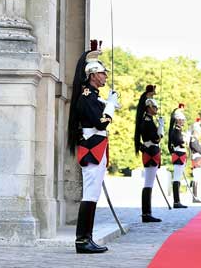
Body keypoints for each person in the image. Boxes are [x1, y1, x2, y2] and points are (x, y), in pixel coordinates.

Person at [66, 40, 121, 254]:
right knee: (90, 193)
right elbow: (100, 123)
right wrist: (110, 106)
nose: (106, 76)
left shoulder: (94, 97)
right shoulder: (87, 97)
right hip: (92, 148)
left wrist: (107, 103)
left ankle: (86, 238)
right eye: (103, 73)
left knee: (94, 193)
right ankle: (82, 240)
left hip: (97, 147)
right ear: (93, 75)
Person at [135, 96, 165, 222]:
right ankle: (146, 213)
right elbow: (156, 138)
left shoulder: (148, 120)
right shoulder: (147, 121)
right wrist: (161, 126)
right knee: (148, 184)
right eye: (154, 107)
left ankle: (147, 213)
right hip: (151, 152)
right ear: (148, 108)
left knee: (149, 183)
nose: (156, 109)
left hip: (150, 151)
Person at [168, 105, 188, 209]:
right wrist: (184, 141)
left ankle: (177, 200)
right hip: (178, 154)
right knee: (176, 178)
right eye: (181, 120)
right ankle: (176, 201)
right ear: (178, 120)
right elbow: (179, 142)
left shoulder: (179, 130)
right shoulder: (176, 131)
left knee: (178, 178)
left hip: (181, 154)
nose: (183, 121)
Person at [189, 117, 201, 203]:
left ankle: (196, 196)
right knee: (196, 178)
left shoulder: (196, 140)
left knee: (198, 178)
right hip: (196, 160)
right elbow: (198, 149)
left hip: (198, 160)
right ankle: (195, 196)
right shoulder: (193, 140)